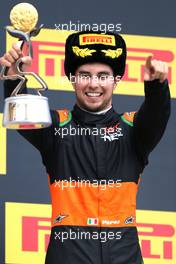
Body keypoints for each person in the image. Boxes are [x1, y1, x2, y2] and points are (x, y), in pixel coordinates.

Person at [0, 30, 171, 264]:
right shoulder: (55, 127)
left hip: (126, 256)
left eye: (103, 75)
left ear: (116, 80)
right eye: (84, 75)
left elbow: (156, 116)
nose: (93, 84)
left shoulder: (133, 131)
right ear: (72, 78)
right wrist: (13, 78)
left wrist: (157, 86)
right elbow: (21, 116)